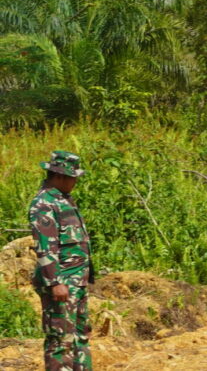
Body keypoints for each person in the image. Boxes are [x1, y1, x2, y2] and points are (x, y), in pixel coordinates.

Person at [29, 151, 93, 371]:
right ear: (60, 176)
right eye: (73, 177)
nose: (76, 181)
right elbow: (45, 246)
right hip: (62, 283)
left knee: (79, 337)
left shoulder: (63, 199)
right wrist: (55, 282)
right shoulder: (44, 204)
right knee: (60, 340)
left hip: (76, 282)